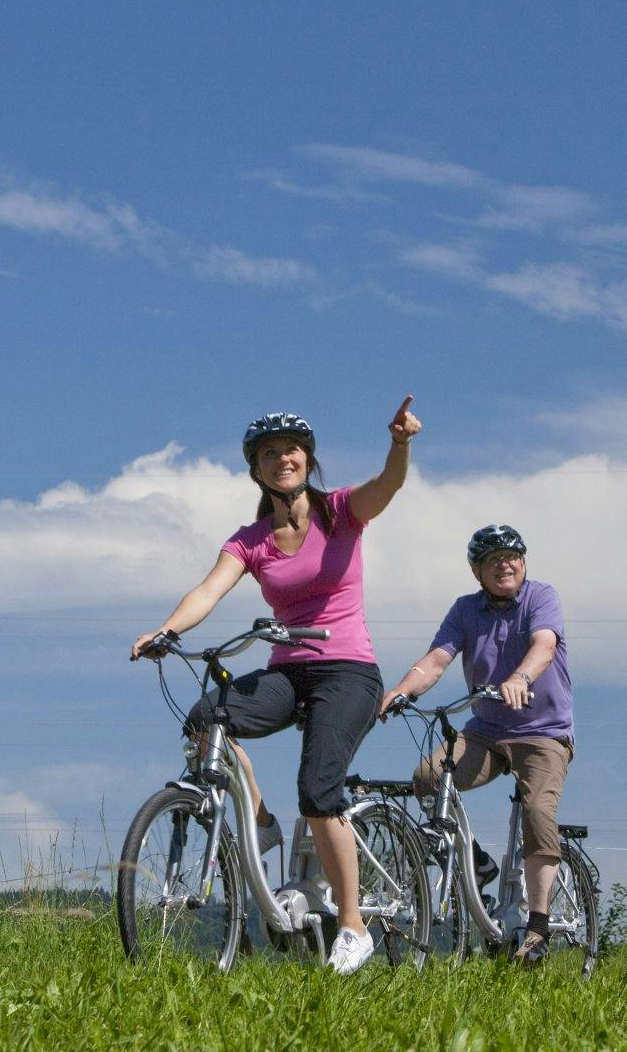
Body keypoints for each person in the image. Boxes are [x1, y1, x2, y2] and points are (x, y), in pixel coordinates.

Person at [130, 400, 421, 975]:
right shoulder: (251, 540)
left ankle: (354, 929)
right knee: (205, 718)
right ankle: (259, 819)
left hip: (348, 671)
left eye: (290, 449)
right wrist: (167, 630)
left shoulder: (340, 512)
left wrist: (400, 443)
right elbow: (209, 589)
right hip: (289, 672)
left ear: (307, 461)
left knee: (318, 790)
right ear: (256, 471)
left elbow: (387, 485)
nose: (281, 458)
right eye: (268, 453)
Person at [379, 524, 573, 966]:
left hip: (543, 731)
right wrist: (402, 691)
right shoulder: (465, 610)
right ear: (477, 571)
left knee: (537, 811)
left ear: (523, 562)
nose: (505, 565)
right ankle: (478, 863)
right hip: (485, 731)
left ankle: (538, 927)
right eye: (493, 560)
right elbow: (437, 659)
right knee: (428, 777)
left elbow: (544, 645)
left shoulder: (542, 597)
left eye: (512, 557)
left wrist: (520, 678)